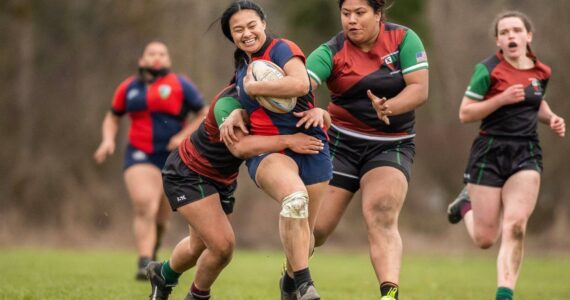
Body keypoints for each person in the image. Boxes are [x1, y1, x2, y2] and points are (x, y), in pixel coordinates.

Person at [144, 83, 327, 300]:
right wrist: (289, 140)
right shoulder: (227, 104)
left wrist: (321, 112)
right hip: (190, 172)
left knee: (198, 246)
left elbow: (310, 119)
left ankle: (162, 275)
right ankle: (197, 295)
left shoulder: (272, 100)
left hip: (223, 179)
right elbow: (240, 148)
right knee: (222, 246)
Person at [305, 0, 429, 299]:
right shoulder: (331, 51)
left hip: (392, 144)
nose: (351, 20)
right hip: (340, 144)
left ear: (378, 14)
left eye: (360, 13)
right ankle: (294, 274)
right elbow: (302, 83)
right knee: (317, 230)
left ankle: (389, 293)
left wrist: (389, 106)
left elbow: (419, 89)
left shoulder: (403, 39)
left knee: (381, 211)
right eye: (346, 14)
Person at [446, 11, 565, 300]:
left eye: (516, 30)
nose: (511, 36)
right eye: (505, 32)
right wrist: (500, 99)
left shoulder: (542, 72)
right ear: (498, 40)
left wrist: (550, 118)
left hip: (526, 151)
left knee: (515, 225)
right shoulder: (487, 70)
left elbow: (535, 101)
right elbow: (465, 113)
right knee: (485, 239)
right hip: (490, 151)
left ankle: (504, 294)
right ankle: (465, 206)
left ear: (528, 36)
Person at [219, 1, 333, 299]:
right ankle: (306, 285)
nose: (246, 33)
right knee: (295, 199)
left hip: (311, 142)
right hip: (269, 151)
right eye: (238, 30)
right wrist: (236, 113)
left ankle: (289, 280)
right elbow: (239, 99)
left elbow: (300, 83)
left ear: (264, 24)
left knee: (308, 235)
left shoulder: (282, 49)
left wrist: (256, 89)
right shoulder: (242, 68)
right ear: (231, 37)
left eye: (251, 25)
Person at [93, 41, 207, 280]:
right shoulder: (128, 88)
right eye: (151, 53)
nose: (156, 58)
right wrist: (107, 140)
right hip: (140, 153)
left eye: (162, 54)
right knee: (145, 203)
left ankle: (154, 246)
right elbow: (112, 117)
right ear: (142, 59)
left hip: (172, 156)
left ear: (168, 59)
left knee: (162, 217)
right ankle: (145, 261)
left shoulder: (181, 84)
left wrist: (183, 136)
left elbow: (204, 113)